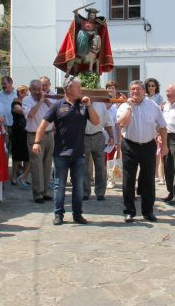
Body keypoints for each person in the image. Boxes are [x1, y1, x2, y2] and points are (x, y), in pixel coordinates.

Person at [33, 77, 100, 225]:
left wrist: (89, 106)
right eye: (78, 87)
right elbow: (43, 125)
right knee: (59, 186)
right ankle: (58, 214)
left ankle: (77, 214)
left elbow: (96, 122)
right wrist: (36, 142)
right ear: (68, 89)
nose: (80, 90)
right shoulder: (57, 106)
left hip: (79, 154)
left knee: (78, 187)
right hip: (61, 154)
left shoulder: (83, 105)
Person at [117, 80, 168, 223]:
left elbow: (162, 126)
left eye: (138, 89)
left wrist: (164, 145)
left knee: (148, 180)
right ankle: (129, 211)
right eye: (132, 89)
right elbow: (122, 124)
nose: (135, 92)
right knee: (128, 180)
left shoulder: (153, 106)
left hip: (148, 145)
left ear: (144, 91)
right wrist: (130, 108)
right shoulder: (124, 106)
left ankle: (148, 211)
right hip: (129, 145)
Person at [23, 79, 55, 203]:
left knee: (47, 164)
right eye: (34, 90)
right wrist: (40, 101)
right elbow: (31, 114)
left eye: (39, 89)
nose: (37, 92)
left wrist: (45, 100)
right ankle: (38, 193)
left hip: (49, 134)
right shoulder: (26, 100)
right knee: (36, 165)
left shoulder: (48, 98)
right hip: (34, 135)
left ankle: (46, 191)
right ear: (30, 90)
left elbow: (55, 111)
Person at [83, 98, 114, 201]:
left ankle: (100, 193)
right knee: (84, 166)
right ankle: (85, 192)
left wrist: (111, 136)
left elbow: (107, 122)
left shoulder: (101, 104)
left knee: (100, 166)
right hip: (83, 137)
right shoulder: (79, 103)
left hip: (98, 136)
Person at [144, 78, 165, 184]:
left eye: (153, 85)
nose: (151, 87)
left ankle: (162, 176)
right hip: (148, 126)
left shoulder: (159, 97)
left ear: (156, 87)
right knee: (153, 153)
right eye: (149, 86)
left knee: (159, 152)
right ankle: (155, 174)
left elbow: (161, 112)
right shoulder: (145, 97)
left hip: (157, 126)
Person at [10, 85, 30, 188]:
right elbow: (21, 111)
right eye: (26, 92)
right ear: (21, 93)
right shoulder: (16, 103)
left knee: (27, 156)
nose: (28, 94)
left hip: (27, 131)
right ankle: (13, 176)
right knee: (17, 155)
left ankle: (23, 177)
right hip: (18, 131)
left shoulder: (27, 103)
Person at [0, 75, 16, 153]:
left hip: (15, 126)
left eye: (4, 83)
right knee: (4, 148)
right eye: (2, 84)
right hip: (4, 126)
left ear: (11, 83)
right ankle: (4, 165)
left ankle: (17, 165)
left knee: (16, 148)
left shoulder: (17, 94)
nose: (3, 86)